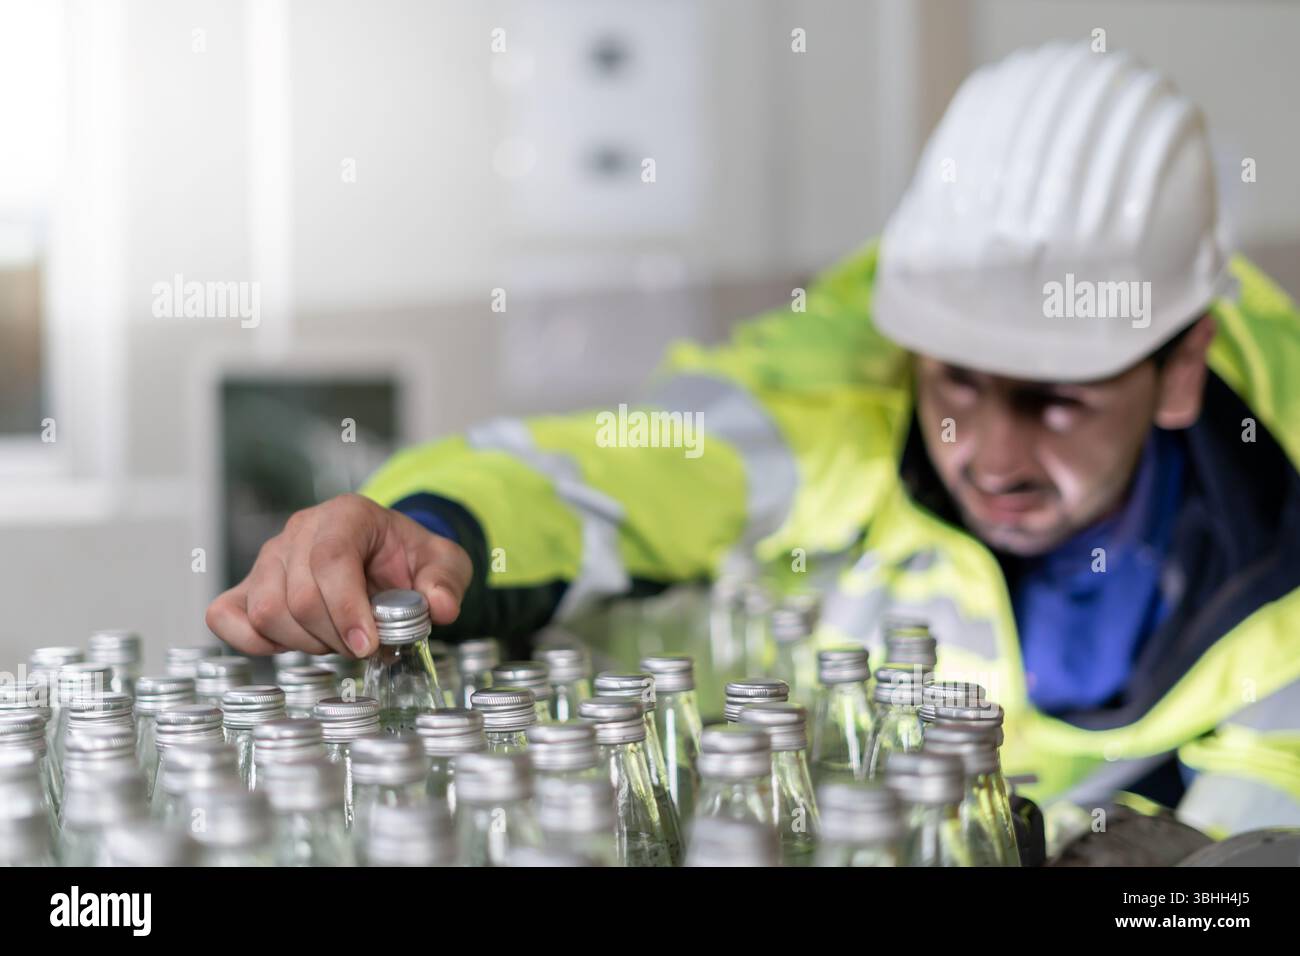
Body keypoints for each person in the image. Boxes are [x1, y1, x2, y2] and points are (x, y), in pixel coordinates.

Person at [207, 42, 1300, 837]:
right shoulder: (846, 384)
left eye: (1057, 400)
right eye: (957, 379)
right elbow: (624, 463)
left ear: (1181, 364)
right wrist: (430, 527)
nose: (993, 455)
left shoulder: (1282, 536)